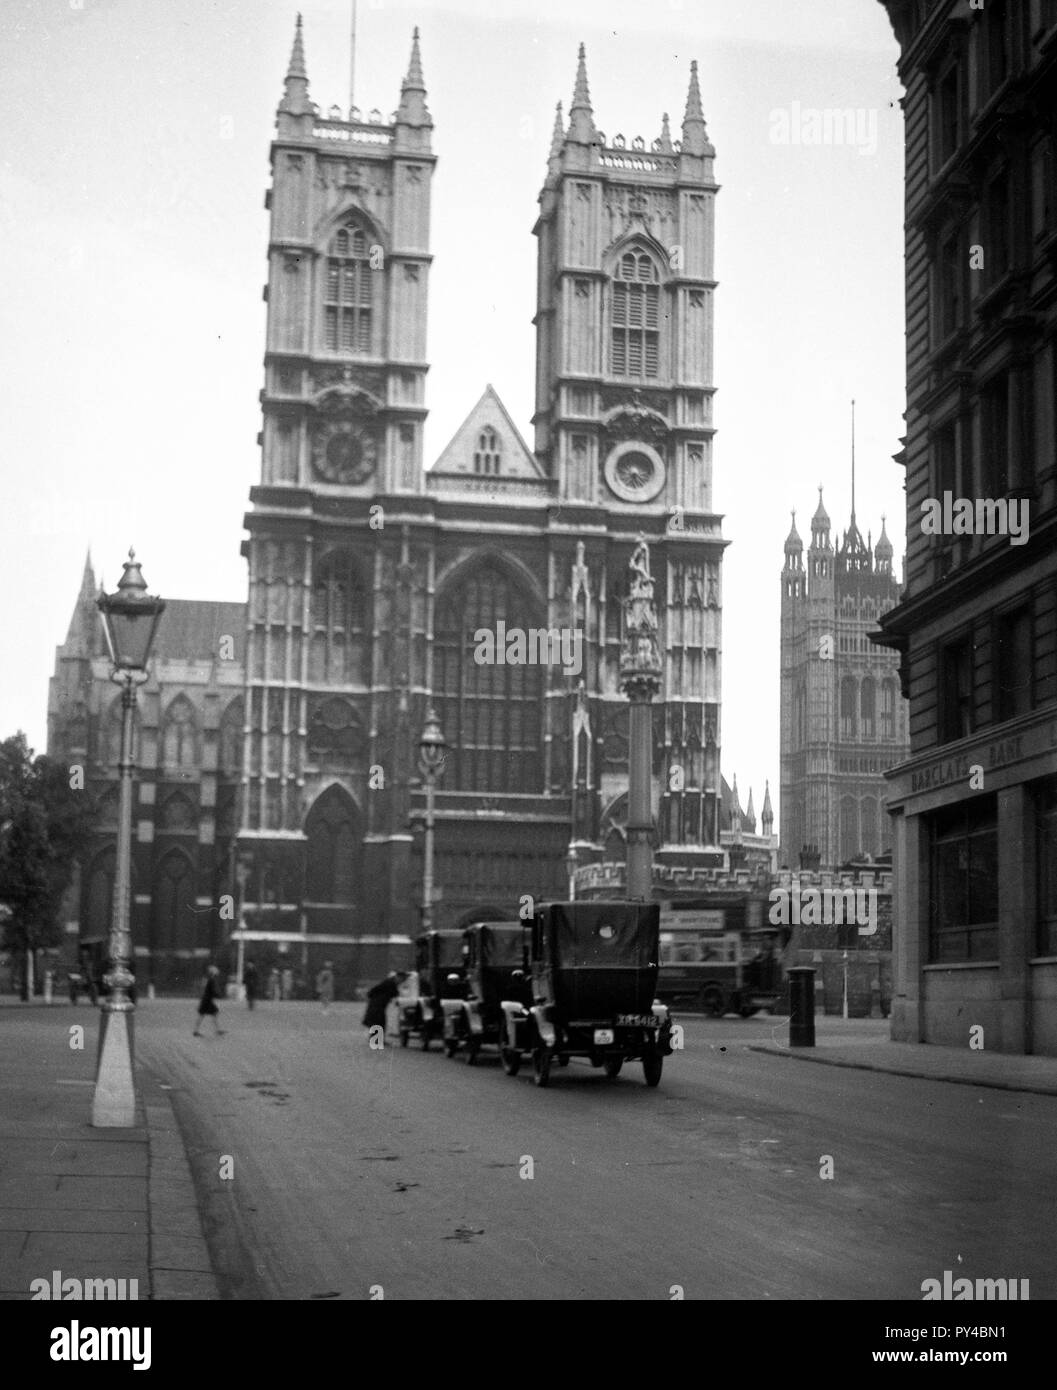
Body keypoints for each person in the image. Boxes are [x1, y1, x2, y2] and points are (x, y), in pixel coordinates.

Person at [193, 965, 224, 1037]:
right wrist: (219, 995)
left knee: (205, 1015)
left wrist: (217, 995)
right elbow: (212, 991)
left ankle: (196, 1031)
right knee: (210, 1014)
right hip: (207, 1001)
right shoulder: (211, 980)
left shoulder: (209, 979)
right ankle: (217, 1030)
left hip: (206, 1000)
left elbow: (209, 990)